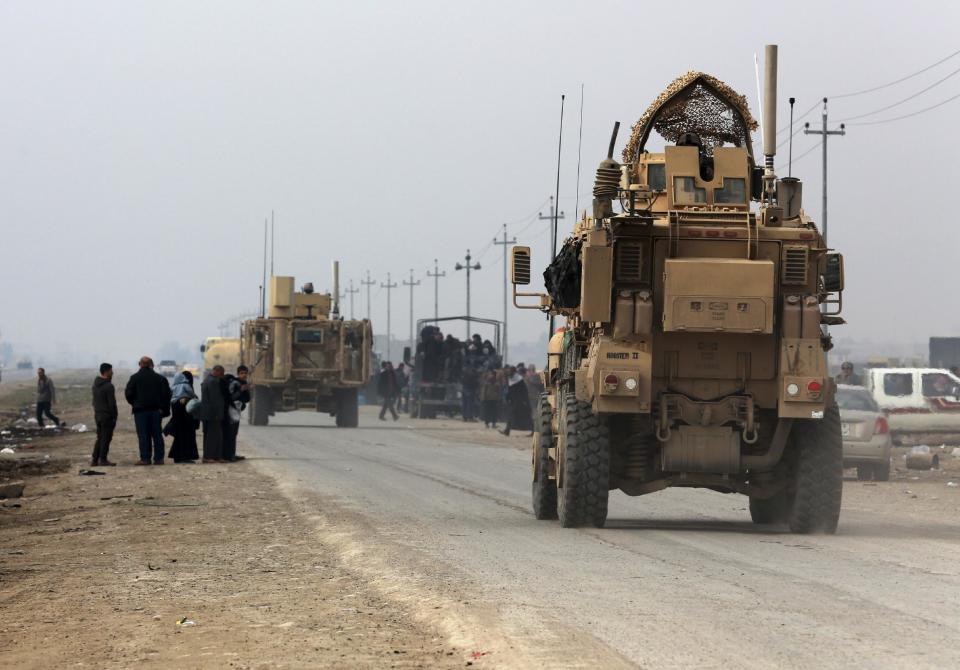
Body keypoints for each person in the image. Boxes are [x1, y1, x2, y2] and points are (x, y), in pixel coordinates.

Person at [125, 356, 172, 465]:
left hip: (140, 412)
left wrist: (135, 403)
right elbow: (167, 395)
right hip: (156, 412)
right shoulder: (160, 379)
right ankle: (159, 459)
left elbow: (128, 394)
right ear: (152, 365)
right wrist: (163, 410)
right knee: (157, 435)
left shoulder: (134, 378)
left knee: (143, 435)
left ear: (140, 364)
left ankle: (145, 459)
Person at [164, 370, 200, 463]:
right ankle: (184, 457)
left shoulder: (173, 388)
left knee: (180, 437)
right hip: (185, 419)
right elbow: (193, 399)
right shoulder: (186, 388)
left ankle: (179, 457)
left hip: (178, 418)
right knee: (185, 437)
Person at [222, 366, 251, 462]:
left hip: (237, 411)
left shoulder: (244, 383)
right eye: (242, 373)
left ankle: (232, 454)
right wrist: (240, 391)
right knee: (230, 433)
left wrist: (245, 391)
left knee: (234, 433)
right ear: (238, 374)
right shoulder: (234, 383)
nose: (244, 375)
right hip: (231, 411)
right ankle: (229, 455)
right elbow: (231, 397)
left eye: (245, 373)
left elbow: (247, 399)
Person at [91, 363, 118, 466]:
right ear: (106, 371)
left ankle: (94, 460)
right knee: (106, 438)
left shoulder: (95, 385)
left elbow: (94, 401)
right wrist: (114, 416)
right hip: (107, 416)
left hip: (98, 414)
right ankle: (103, 459)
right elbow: (112, 404)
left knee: (100, 437)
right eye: (111, 370)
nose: (113, 372)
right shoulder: (108, 386)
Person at [201, 366, 226, 463]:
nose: (222, 376)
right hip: (213, 413)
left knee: (215, 435)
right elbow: (215, 400)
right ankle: (208, 457)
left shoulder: (207, 379)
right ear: (217, 371)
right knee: (212, 436)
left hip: (207, 413)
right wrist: (216, 414)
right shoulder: (213, 382)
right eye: (222, 373)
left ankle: (216, 456)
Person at [500, 366, 534, 436]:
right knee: (511, 415)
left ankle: (534, 431)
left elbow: (524, 391)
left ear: (513, 371)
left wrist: (525, 401)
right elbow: (510, 391)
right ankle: (507, 431)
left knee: (526, 417)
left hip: (521, 401)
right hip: (514, 401)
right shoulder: (510, 379)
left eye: (510, 371)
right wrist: (508, 398)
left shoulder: (519, 380)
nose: (509, 372)